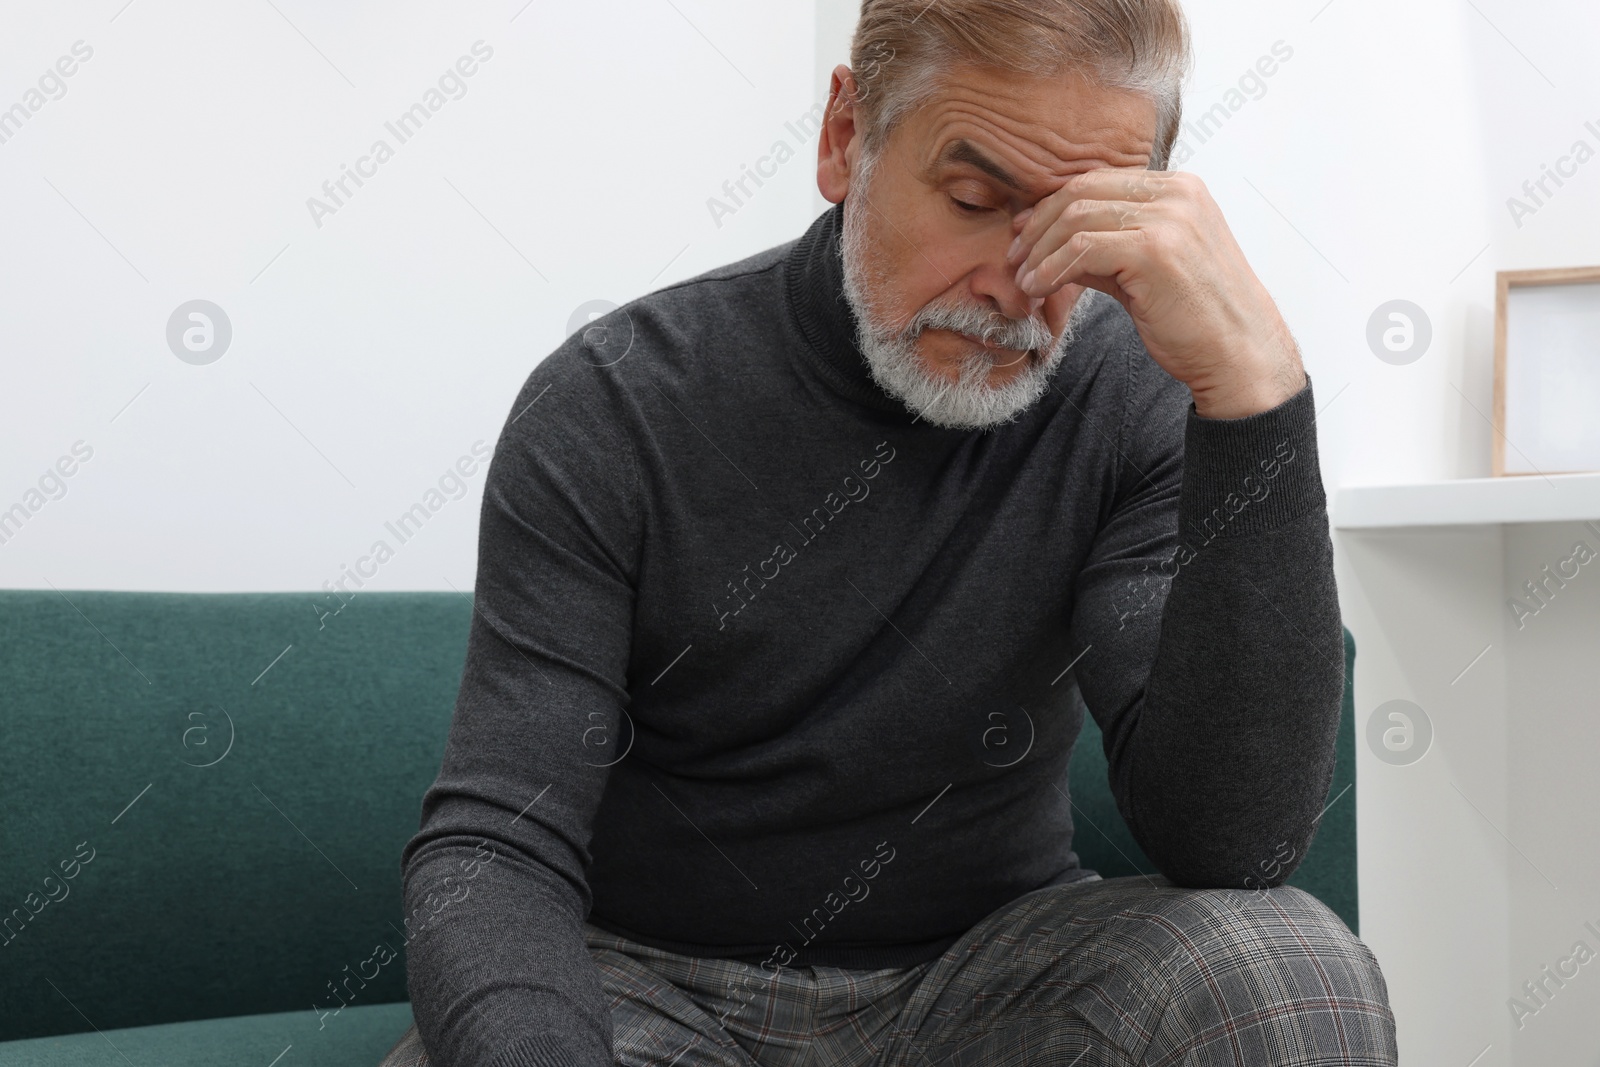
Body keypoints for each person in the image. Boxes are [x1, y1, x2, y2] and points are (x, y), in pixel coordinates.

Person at [380, 0, 1397, 1063]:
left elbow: (1235, 838)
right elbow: (496, 843)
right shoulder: (613, 402)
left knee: (1290, 973)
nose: (1018, 283)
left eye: (1076, 228)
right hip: (658, 983)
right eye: (973, 199)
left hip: (988, 977)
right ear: (842, 138)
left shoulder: (1126, 397)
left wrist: (1256, 391)